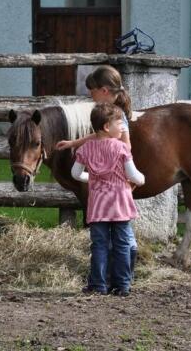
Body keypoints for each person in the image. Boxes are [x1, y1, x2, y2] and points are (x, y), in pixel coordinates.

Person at [56, 65, 139, 281]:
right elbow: (98, 136)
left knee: (114, 238)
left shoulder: (116, 117)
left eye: (92, 91)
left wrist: (121, 167)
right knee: (119, 235)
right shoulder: (108, 115)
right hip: (115, 181)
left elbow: (126, 147)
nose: (90, 96)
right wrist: (74, 142)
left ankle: (114, 279)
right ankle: (121, 281)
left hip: (115, 180)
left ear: (103, 90)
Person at [71, 103, 145, 296]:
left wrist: (92, 178)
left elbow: (76, 174)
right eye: (119, 122)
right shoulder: (121, 148)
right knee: (122, 244)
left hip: (97, 206)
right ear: (106, 127)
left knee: (99, 245)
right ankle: (122, 285)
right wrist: (142, 179)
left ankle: (98, 284)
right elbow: (134, 176)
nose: (122, 127)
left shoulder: (86, 149)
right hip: (120, 204)